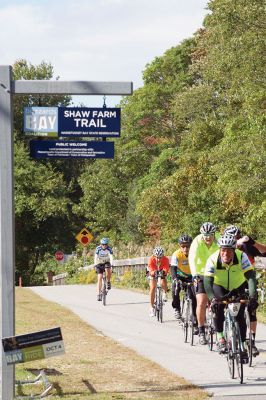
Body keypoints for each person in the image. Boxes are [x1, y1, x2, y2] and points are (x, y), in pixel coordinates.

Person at [204, 234, 257, 361]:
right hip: (219, 285)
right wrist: (212, 299)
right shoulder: (212, 259)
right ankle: (220, 337)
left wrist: (252, 296)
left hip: (238, 285)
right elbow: (207, 282)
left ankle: (243, 345)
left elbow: (250, 277)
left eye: (229, 250)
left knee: (239, 316)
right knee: (218, 309)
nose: (225, 253)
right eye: (223, 250)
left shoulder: (242, 256)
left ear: (234, 250)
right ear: (219, 250)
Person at [223, 225, 265, 356]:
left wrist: (253, 243)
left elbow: (264, 252)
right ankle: (225, 334)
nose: (235, 240)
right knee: (226, 306)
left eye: (237, 238)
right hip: (229, 281)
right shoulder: (224, 250)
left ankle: (251, 341)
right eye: (232, 238)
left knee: (252, 309)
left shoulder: (246, 247)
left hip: (247, 280)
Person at [188, 222, 220, 344]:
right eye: (205, 235)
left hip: (214, 273)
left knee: (218, 301)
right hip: (200, 273)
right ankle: (201, 330)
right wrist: (195, 274)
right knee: (201, 301)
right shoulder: (196, 242)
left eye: (210, 235)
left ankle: (219, 329)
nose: (207, 237)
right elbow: (192, 259)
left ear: (214, 234)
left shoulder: (218, 240)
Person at [171, 234, 196, 323]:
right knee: (175, 287)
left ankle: (194, 315)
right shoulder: (176, 254)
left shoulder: (195, 253)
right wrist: (175, 278)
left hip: (191, 276)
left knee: (194, 295)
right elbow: (173, 268)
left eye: (188, 246)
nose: (185, 249)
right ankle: (177, 308)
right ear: (180, 246)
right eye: (183, 246)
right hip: (180, 275)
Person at [148, 246, 170, 317]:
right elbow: (150, 270)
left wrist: (164, 272)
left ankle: (165, 293)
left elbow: (166, 268)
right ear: (154, 256)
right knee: (152, 287)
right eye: (157, 257)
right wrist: (153, 273)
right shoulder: (151, 259)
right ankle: (151, 307)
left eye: (160, 257)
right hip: (153, 272)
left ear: (162, 256)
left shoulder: (166, 259)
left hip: (161, 271)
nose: (158, 259)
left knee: (163, 280)